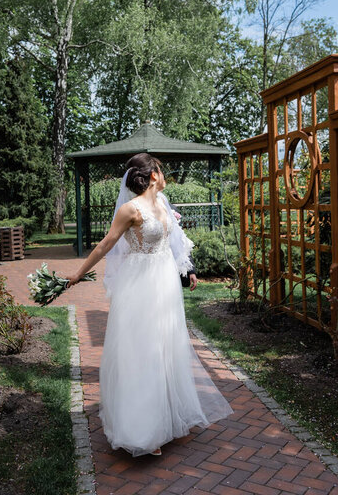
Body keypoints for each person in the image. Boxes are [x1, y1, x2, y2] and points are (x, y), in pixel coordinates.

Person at [66, 153, 233, 457]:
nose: (164, 173)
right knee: (143, 350)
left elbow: (175, 240)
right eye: (161, 169)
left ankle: (167, 417)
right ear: (152, 174)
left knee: (166, 346)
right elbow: (106, 243)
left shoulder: (163, 202)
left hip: (165, 281)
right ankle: (143, 428)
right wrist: (79, 273)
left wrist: (188, 269)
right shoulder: (130, 209)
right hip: (139, 284)